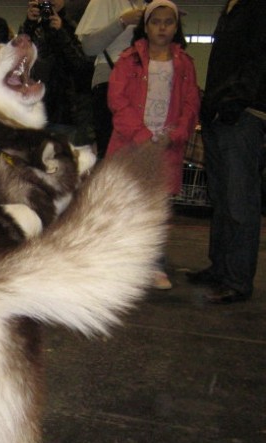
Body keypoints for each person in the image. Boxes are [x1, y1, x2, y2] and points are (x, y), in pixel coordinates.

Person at [106, 0, 200, 290]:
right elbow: (117, 102)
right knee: (125, 205)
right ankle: (121, 263)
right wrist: (141, 134)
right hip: (130, 146)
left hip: (165, 149)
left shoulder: (184, 64)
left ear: (176, 27)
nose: (162, 27)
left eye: (168, 22)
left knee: (156, 209)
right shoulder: (128, 60)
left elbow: (190, 102)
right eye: (155, 21)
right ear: (144, 26)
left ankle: (154, 264)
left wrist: (179, 132)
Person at [186, 0, 266, 304]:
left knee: (239, 200)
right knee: (221, 198)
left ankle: (237, 279)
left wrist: (238, 101)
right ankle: (220, 268)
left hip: (243, 114)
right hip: (222, 112)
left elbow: (259, 58)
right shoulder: (231, 8)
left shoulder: (257, 7)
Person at [75, 0, 146, 159]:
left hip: (144, 83)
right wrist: (122, 21)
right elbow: (89, 47)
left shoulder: (150, 4)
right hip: (110, 80)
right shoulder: (104, 2)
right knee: (111, 152)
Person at [19, 0, 95, 145]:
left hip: (67, 111)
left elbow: (82, 66)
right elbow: (18, 63)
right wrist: (28, 25)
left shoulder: (76, 25)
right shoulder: (32, 27)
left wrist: (61, 32)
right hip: (34, 109)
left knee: (63, 161)